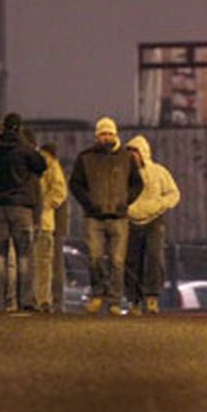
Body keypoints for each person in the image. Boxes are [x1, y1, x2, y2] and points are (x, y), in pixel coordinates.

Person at [0, 112, 47, 311]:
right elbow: (41, 165)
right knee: (24, 256)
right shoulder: (24, 149)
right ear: (19, 128)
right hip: (21, 208)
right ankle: (26, 301)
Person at [69, 117, 143, 316]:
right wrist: (88, 202)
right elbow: (75, 184)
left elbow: (138, 183)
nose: (106, 137)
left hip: (119, 216)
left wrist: (126, 201)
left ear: (116, 134)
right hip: (94, 216)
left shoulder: (127, 157)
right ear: (97, 136)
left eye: (109, 133)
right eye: (103, 134)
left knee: (117, 261)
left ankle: (114, 301)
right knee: (94, 258)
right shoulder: (85, 157)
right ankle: (98, 294)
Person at [124, 135, 181, 315]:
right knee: (132, 261)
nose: (133, 155)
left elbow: (173, 193)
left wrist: (160, 205)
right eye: (130, 151)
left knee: (154, 258)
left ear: (143, 153)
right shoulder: (124, 173)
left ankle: (152, 297)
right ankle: (133, 300)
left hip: (154, 221)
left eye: (135, 151)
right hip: (130, 220)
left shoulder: (159, 172)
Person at [33, 141, 68, 313]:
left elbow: (59, 191)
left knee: (40, 263)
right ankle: (41, 300)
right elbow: (59, 191)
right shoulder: (49, 163)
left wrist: (42, 207)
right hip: (42, 221)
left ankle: (40, 299)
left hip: (40, 221)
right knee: (42, 263)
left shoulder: (47, 163)